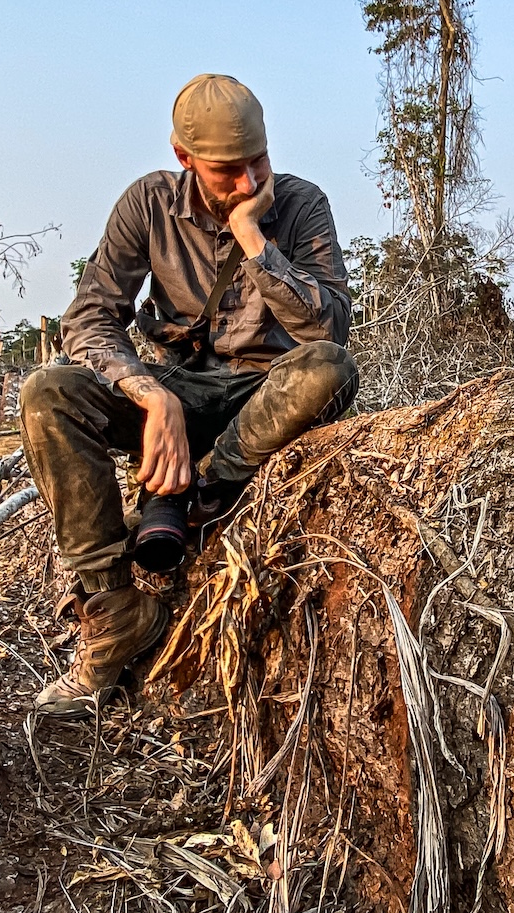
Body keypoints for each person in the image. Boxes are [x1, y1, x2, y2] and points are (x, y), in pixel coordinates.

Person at [20, 74, 357, 715]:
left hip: (265, 394)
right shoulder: (146, 203)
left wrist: (253, 236)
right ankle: (116, 610)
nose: (249, 181)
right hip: (173, 383)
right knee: (48, 393)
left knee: (330, 369)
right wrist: (150, 396)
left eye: (258, 161)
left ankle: (200, 488)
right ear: (185, 159)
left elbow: (327, 328)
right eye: (228, 171)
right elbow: (89, 318)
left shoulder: (301, 202)